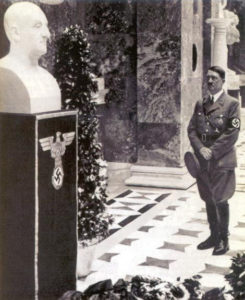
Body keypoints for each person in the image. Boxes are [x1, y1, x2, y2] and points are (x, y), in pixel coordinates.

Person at [187, 66, 240, 255]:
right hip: (203, 161)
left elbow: (232, 133)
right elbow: (191, 129)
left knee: (220, 200)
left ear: (222, 81)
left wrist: (212, 151)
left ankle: (223, 240)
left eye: (214, 78)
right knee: (208, 198)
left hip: (221, 161)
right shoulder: (200, 103)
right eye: (208, 78)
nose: (210, 82)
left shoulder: (232, 104)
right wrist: (200, 148)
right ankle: (213, 236)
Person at [0, 1, 61, 113]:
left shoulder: (48, 79)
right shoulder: (3, 73)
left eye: (46, 26)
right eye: (37, 26)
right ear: (15, 33)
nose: (47, 34)